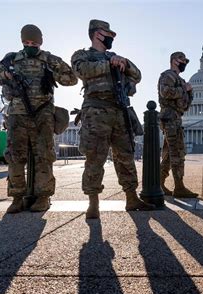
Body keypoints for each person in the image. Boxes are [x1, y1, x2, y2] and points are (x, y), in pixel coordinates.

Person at [71, 19, 154, 219]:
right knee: (95, 157)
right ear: (97, 34)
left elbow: (138, 75)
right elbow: (81, 71)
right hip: (95, 111)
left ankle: (131, 197)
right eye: (108, 34)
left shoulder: (116, 57)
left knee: (125, 156)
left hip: (119, 111)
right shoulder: (82, 55)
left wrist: (123, 62)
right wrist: (108, 63)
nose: (111, 38)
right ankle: (93, 202)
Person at [0, 24, 77, 213]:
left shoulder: (49, 59)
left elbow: (72, 79)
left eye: (33, 42)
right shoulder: (11, 59)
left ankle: (43, 197)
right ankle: (16, 198)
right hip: (17, 114)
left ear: (40, 41)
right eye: (26, 42)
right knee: (15, 157)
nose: (29, 45)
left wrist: (53, 71)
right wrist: (6, 75)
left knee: (44, 156)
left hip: (43, 113)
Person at [158, 52, 198, 198]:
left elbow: (185, 105)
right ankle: (179, 187)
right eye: (182, 60)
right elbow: (165, 93)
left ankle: (159, 183)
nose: (185, 63)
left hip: (176, 117)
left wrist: (190, 92)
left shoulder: (181, 80)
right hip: (169, 117)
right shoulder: (167, 76)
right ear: (174, 61)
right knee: (177, 153)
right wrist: (184, 90)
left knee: (169, 155)